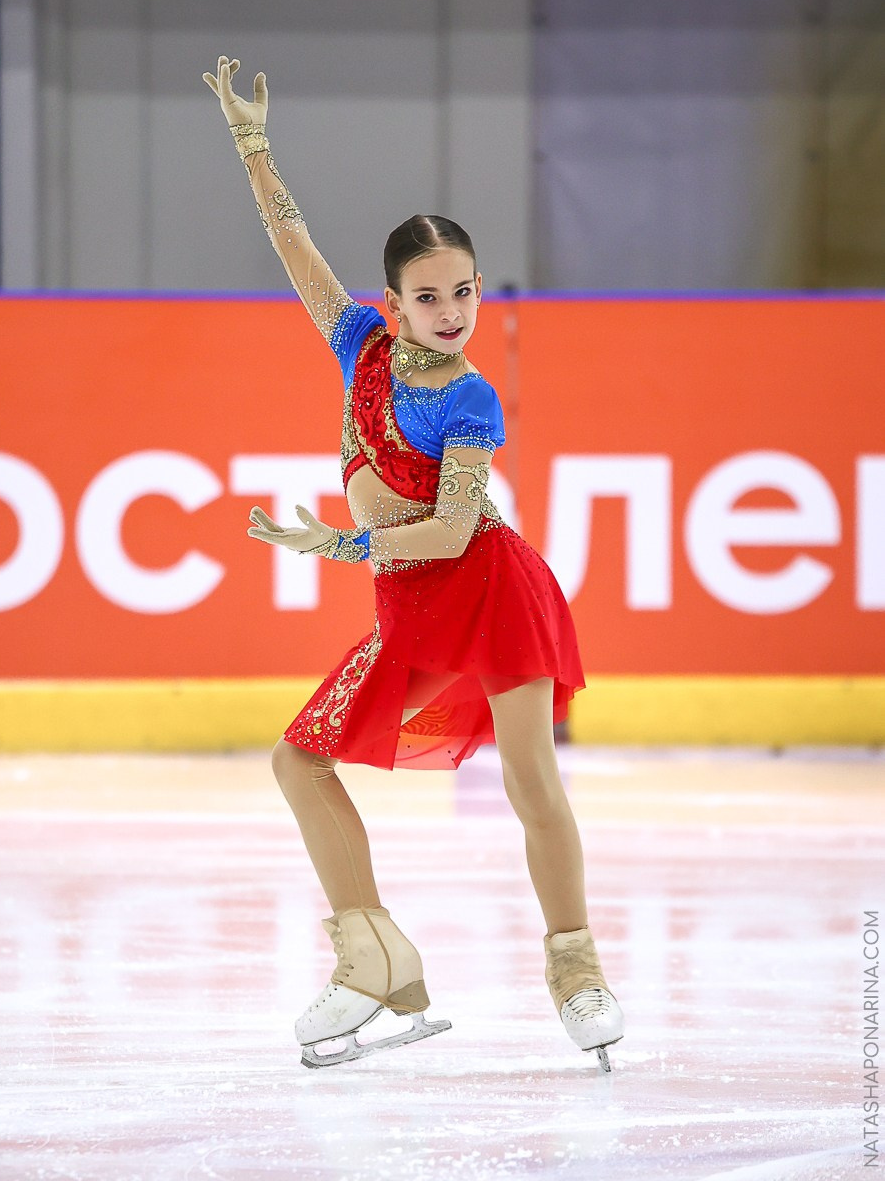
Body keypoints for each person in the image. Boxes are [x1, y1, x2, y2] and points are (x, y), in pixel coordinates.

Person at [202, 55, 624, 1071]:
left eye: (464, 293)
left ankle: (577, 970)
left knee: (532, 778)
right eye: (429, 295)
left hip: (488, 588)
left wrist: (332, 542)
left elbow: (448, 528)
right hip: (411, 612)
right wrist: (252, 144)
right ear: (390, 300)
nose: (451, 311)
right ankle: (372, 957)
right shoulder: (359, 346)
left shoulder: (469, 397)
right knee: (299, 758)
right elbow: (292, 243)